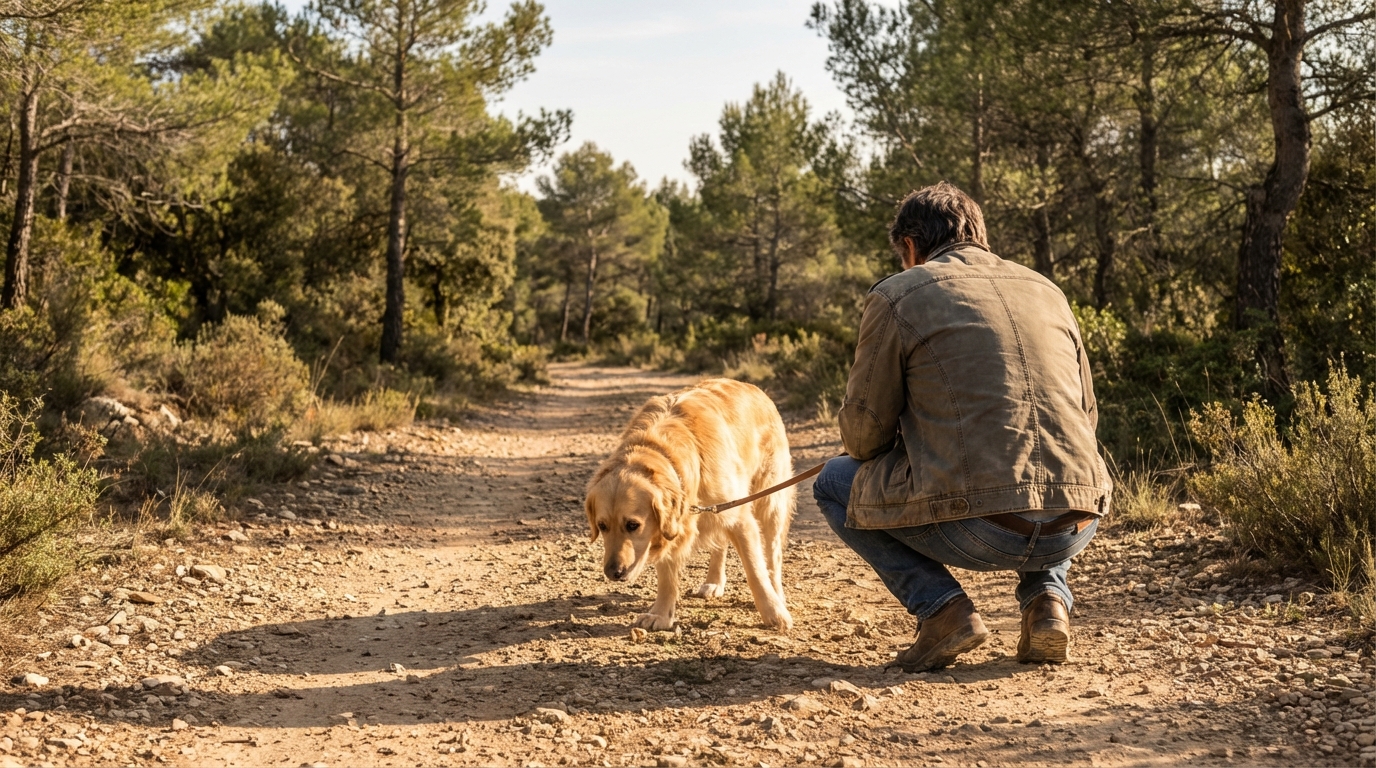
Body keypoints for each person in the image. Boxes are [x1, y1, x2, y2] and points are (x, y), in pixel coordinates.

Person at [813, 182, 1112, 672]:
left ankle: (942, 610)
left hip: (979, 528)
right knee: (1053, 469)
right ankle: (1048, 600)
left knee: (832, 482)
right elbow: (1086, 418)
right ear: (978, 235)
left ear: (910, 247)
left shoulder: (897, 295)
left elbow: (864, 438)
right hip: (1077, 521)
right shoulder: (1048, 290)